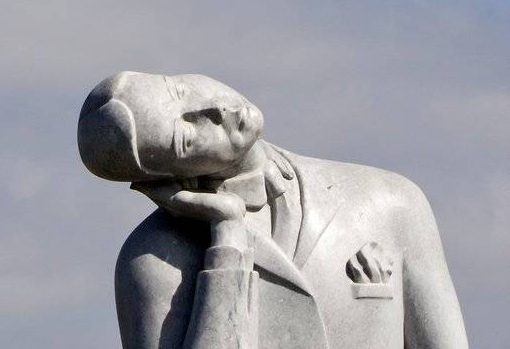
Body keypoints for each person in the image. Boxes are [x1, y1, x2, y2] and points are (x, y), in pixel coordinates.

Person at [77, 71, 468, 349]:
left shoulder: (389, 200)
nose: (212, 109)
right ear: (161, 181)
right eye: (184, 137)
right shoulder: (155, 263)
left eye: (180, 91)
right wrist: (228, 245)